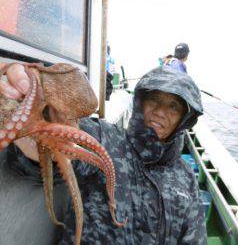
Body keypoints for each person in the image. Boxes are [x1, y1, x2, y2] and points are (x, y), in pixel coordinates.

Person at [0, 63, 206, 244]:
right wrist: (24, 106)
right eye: (154, 100)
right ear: (140, 102)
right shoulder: (106, 138)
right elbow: (57, 149)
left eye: (173, 106)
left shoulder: (186, 177)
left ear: (184, 119)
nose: (160, 111)